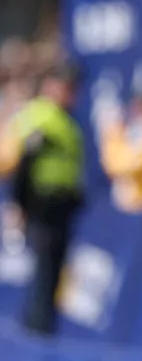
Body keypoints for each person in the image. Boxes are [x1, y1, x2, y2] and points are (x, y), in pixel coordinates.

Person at [0, 66, 85, 335]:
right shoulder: (39, 116)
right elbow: (21, 162)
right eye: (65, 87)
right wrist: (19, 204)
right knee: (43, 273)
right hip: (42, 207)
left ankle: (43, 332)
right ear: (51, 86)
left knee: (54, 277)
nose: (70, 94)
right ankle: (36, 336)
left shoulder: (65, 120)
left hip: (62, 208)